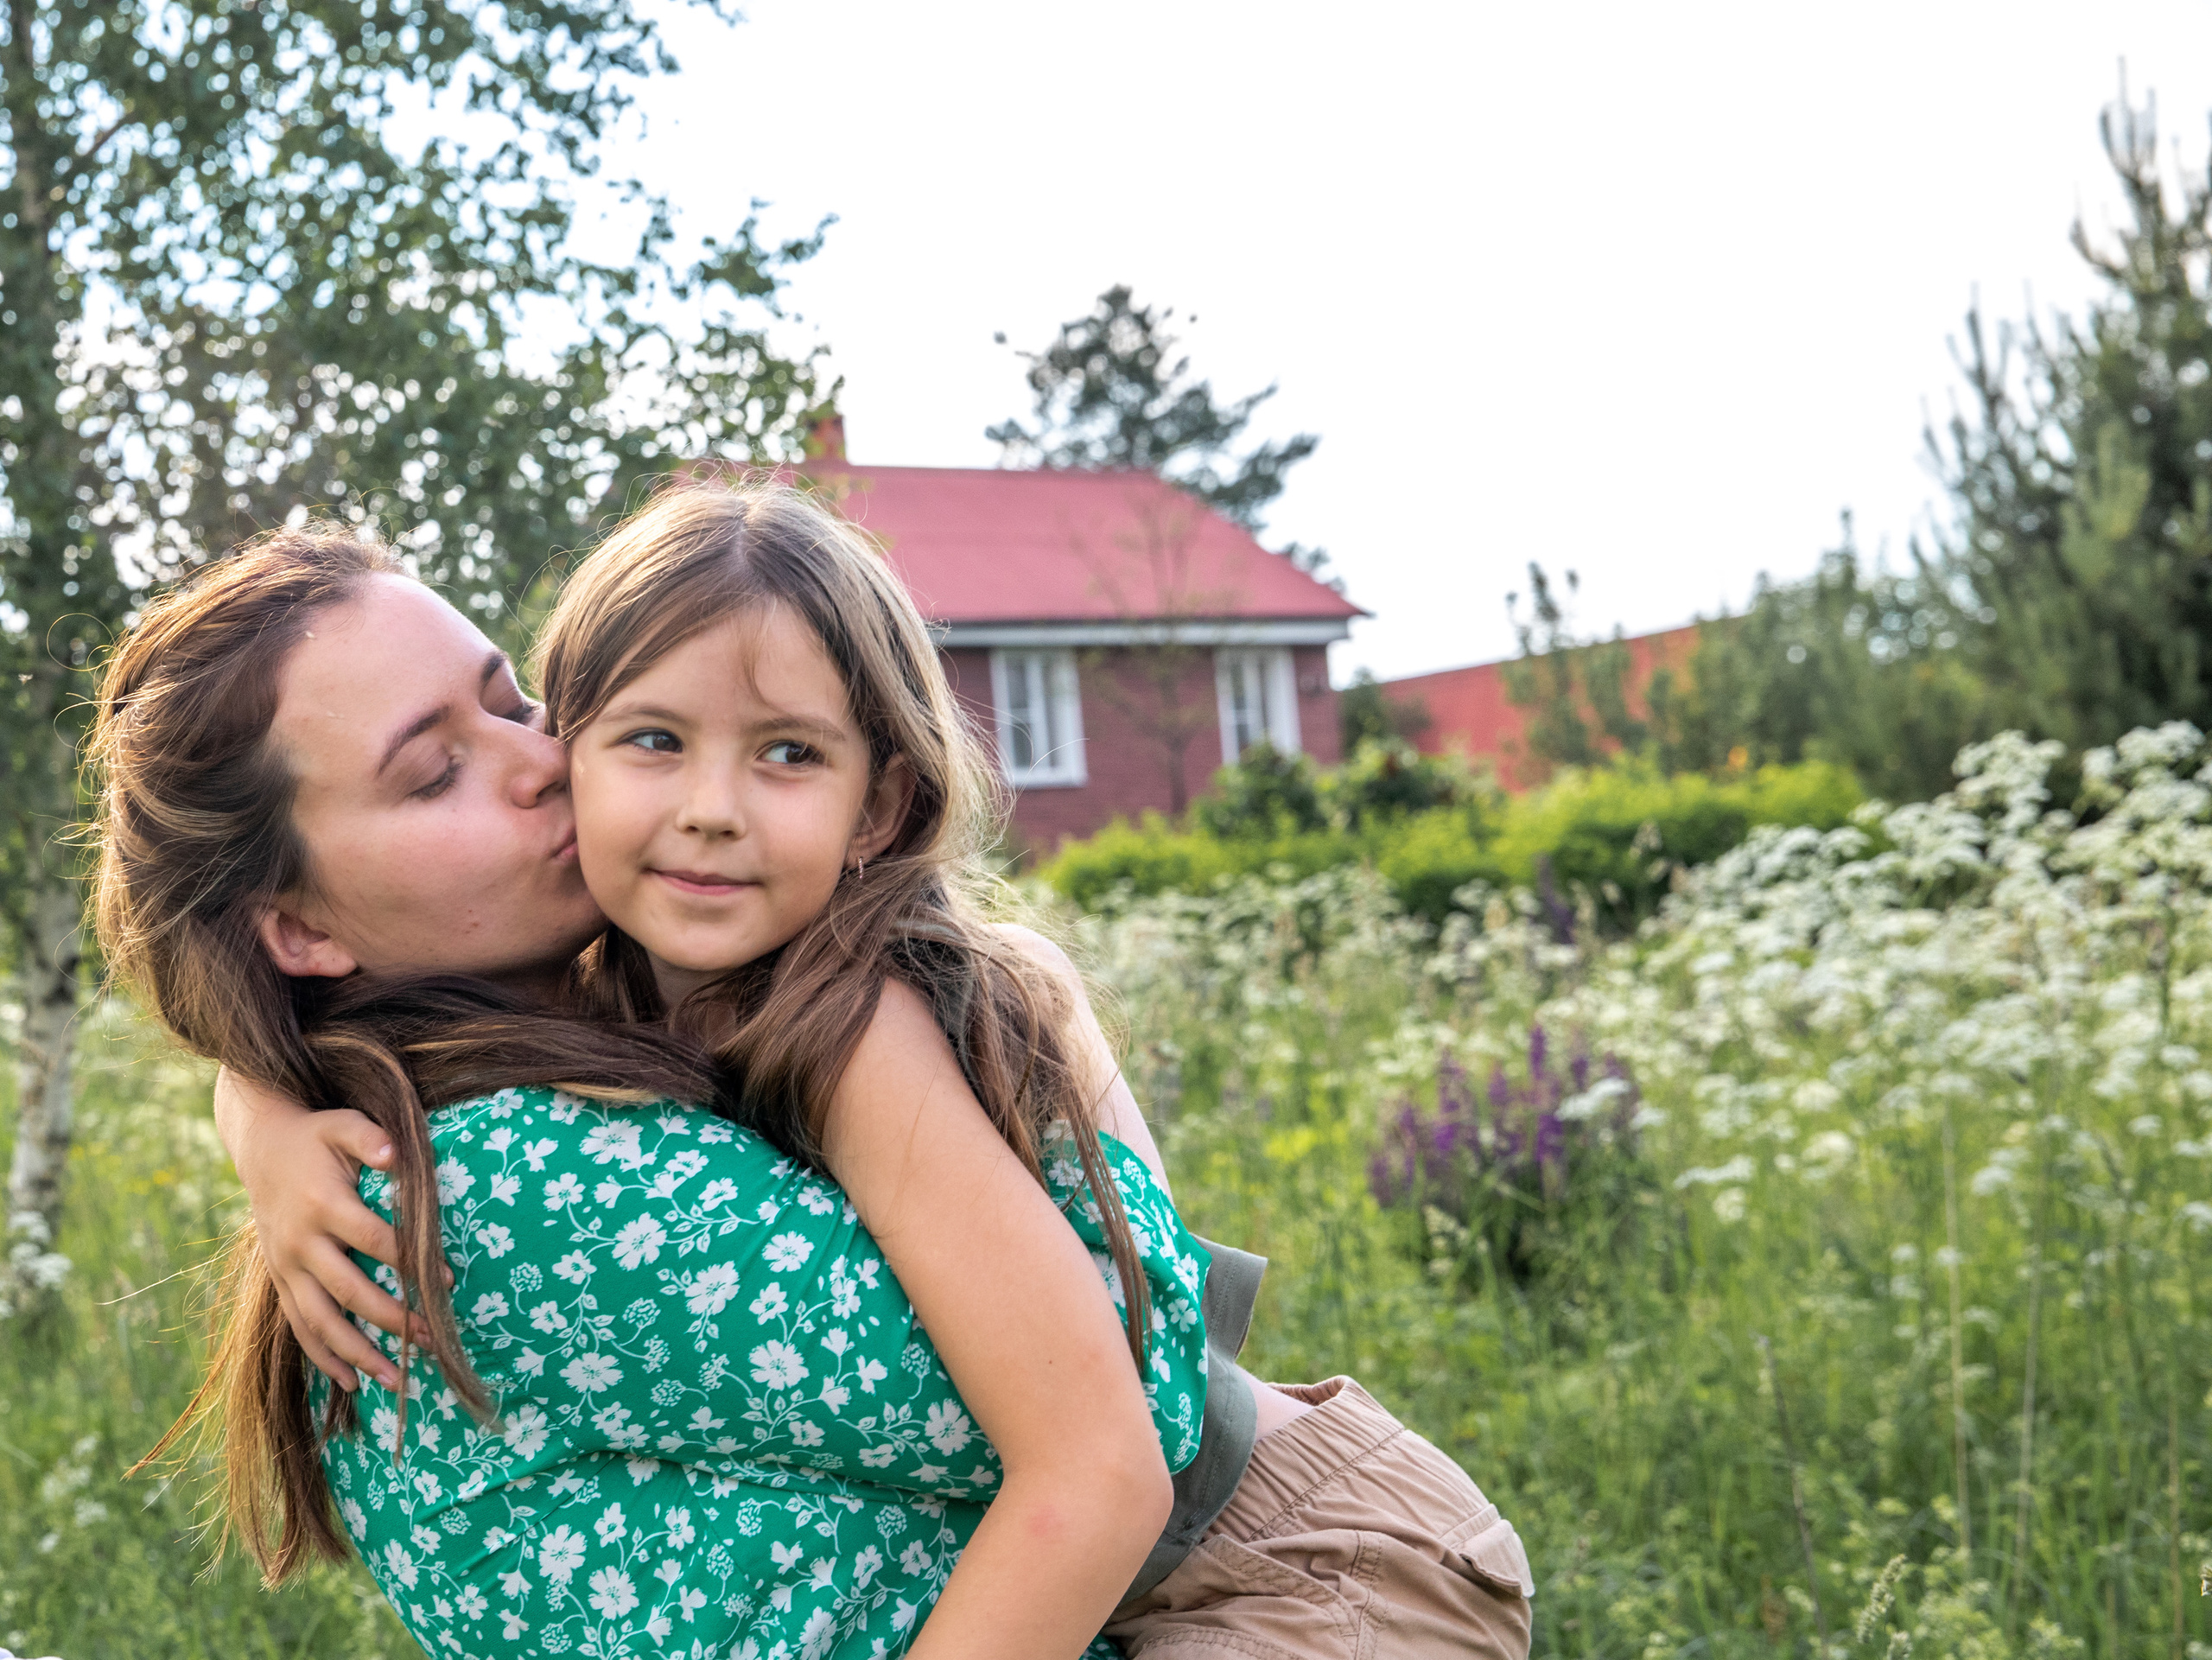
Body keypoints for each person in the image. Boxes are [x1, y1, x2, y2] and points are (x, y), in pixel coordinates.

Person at [218, 481, 1536, 1657]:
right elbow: (300, 1004)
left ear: (882, 807)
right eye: (651, 739)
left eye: (788, 751)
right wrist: (260, 1102)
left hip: (1301, 1561)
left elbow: (1097, 1462)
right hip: (1171, 1559)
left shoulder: (850, 1020)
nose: (713, 805)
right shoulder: (613, 961)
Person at [92, 525, 1200, 1660]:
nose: (541, 761)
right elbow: (1135, 1414)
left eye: (515, 703)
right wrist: (1055, 1015)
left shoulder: (564, 1041)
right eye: (437, 771)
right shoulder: (511, 1177)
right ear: (298, 927)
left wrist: (257, 1098)